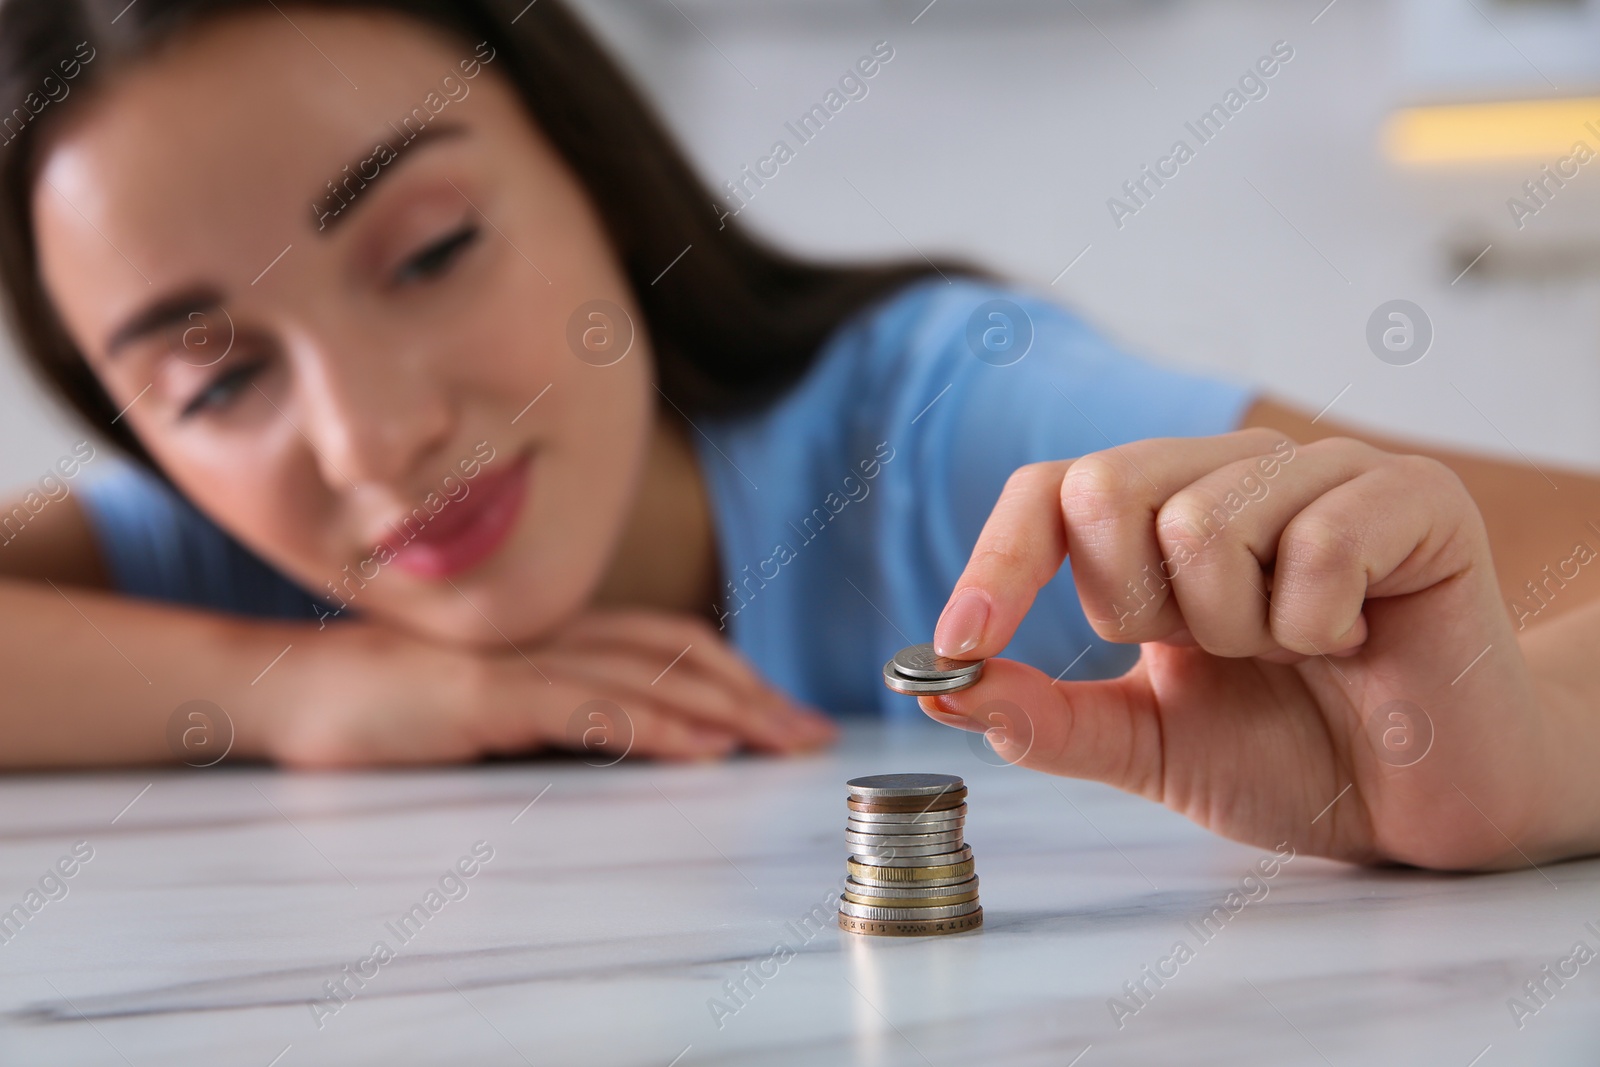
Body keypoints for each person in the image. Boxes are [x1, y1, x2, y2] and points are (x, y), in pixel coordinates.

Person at [0, 0, 1595, 871]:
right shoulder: (230, 562)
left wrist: (1502, 761)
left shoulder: (966, 436)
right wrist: (311, 692)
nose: (375, 438)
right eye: (213, 382)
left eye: (427, 253)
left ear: (599, 186)